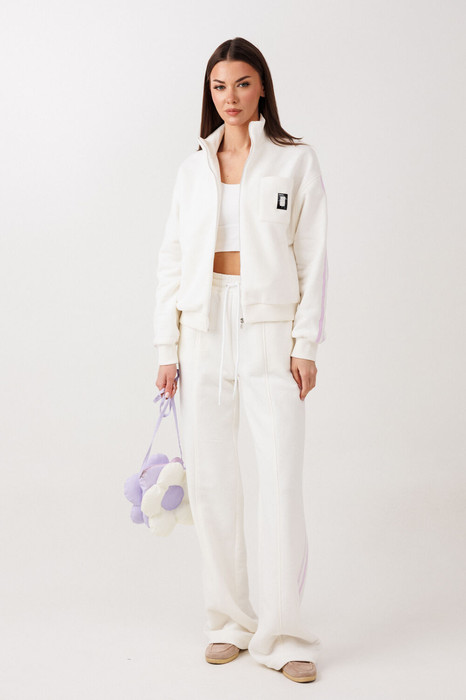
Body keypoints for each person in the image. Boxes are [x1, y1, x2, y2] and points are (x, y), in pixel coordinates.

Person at [152, 37, 328, 684]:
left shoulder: (294, 161)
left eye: (243, 84)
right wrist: (166, 348)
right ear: (210, 92)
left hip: (269, 328)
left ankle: (284, 635)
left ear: (263, 89)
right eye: (219, 86)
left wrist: (304, 344)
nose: (231, 97)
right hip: (202, 327)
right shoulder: (192, 168)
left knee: (279, 478)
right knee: (213, 483)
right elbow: (172, 260)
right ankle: (229, 621)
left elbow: (313, 257)